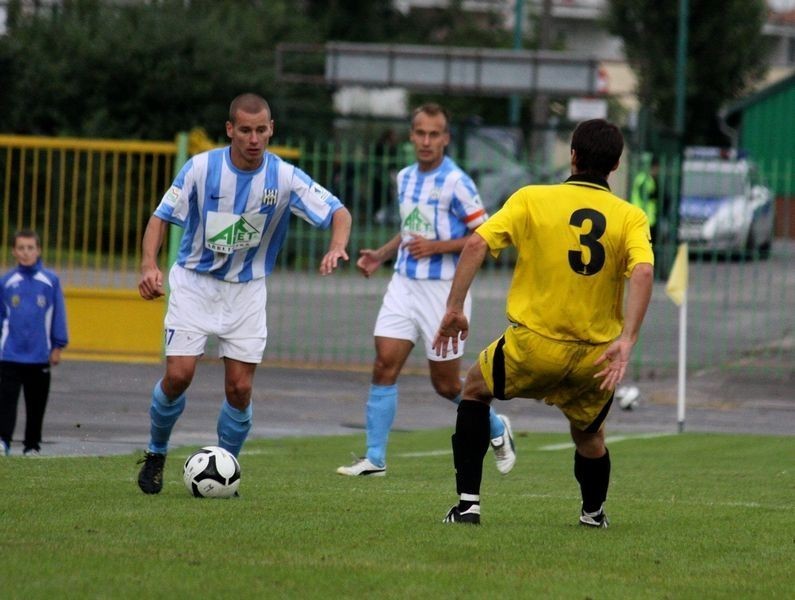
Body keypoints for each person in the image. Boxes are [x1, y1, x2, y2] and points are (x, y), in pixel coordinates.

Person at [433, 118, 654, 527]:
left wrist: (455, 307)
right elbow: (642, 272)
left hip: (533, 346)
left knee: (475, 392)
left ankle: (468, 505)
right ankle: (592, 513)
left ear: (572, 155)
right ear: (617, 165)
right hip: (595, 357)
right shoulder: (630, 217)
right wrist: (628, 339)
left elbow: (478, 241)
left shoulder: (532, 198)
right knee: (589, 436)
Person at [136, 93, 352, 494]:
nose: (254, 139)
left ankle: (224, 469)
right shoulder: (201, 168)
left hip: (247, 291)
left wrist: (337, 245)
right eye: (246, 130)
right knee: (179, 376)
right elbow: (161, 217)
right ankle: (155, 451)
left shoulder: (285, 177)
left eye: (261, 130)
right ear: (230, 130)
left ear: (271, 130)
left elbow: (339, 211)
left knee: (239, 388)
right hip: (195, 284)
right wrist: (149, 265)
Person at [336, 103, 516, 478]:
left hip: (443, 290)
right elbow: (410, 229)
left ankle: (498, 427)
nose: (426, 141)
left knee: (446, 384)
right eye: (420, 133)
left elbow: (483, 236)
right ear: (411, 135)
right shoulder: (404, 177)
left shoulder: (458, 183)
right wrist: (381, 255)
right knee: (384, 362)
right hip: (404, 283)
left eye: (434, 134)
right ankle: (375, 459)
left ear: (445, 139)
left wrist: (436, 247)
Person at [0, 229, 69, 456]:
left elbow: (58, 314)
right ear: (14, 251)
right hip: (9, 355)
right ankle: (3, 441)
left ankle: (32, 446)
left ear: (38, 250)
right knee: (6, 402)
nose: (26, 252)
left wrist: (58, 346)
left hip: (40, 355)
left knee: (36, 404)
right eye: (21, 248)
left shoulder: (49, 281)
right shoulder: (7, 282)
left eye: (30, 248)